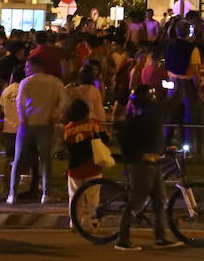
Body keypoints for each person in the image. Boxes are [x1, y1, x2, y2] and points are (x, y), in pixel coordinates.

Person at [114, 86, 181, 251]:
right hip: (142, 165)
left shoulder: (138, 118)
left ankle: (160, 237)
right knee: (137, 201)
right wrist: (181, 77)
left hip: (154, 162)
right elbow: (176, 99)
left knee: (159, 200)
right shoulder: (148, 115)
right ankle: (122, 239)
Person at [7, 59, 68, 205]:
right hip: (46, 123)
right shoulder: (55, 82)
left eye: (28, 66)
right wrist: (56, 114)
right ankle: (46, 193)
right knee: (45, 160)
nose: (26, 69)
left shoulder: (26, 82)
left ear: (36, 67)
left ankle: (12, 194)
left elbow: (19, 102)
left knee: (18, 159)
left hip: (27, 124)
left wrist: (22, 117)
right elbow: (64, 99)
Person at [63, 98, 110, 223]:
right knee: (93, 197)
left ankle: (74, 222)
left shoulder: (68, 128)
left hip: (75, 167)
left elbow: (67, 147)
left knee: (74, 196)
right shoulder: (94, 123)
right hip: (93, 166)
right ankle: (93, 222)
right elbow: (105, 139)